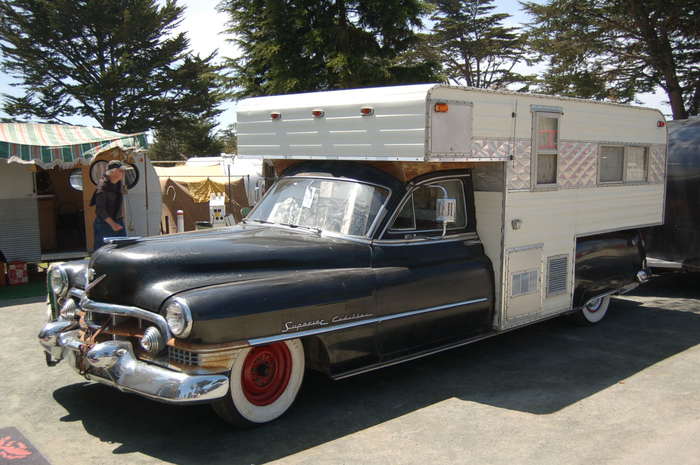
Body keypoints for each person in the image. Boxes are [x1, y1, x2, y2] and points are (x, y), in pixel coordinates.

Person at [90, 160, 132, 250]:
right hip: (105, 224)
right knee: (104, 251)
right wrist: (113, 224)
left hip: (118, 221)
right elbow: (100, 210)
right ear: (112, 172)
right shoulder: (102, 187)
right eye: (120, 171)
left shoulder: (118, 183)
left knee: (123, 250)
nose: (123, 173)